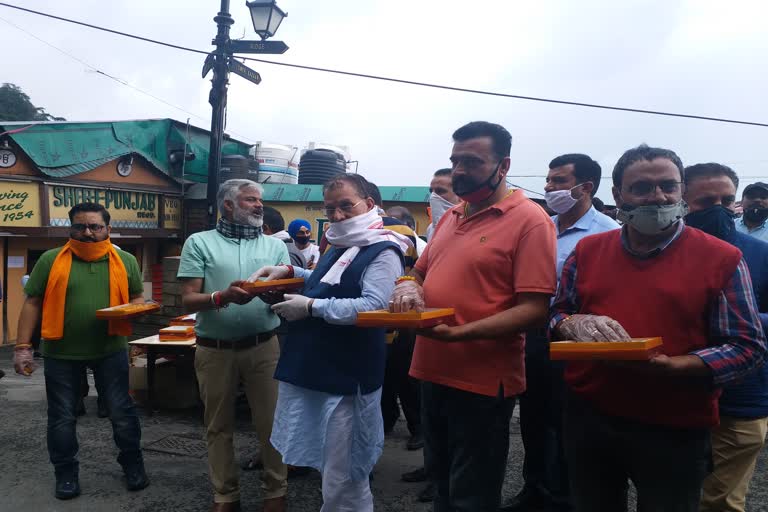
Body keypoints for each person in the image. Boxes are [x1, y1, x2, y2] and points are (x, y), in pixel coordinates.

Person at [549, 145, 767, 512]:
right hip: (590, 415)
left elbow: (747, 347)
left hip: (674, 421)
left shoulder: (721, 258)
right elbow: (557, 313)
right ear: (618, 195)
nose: (658, 196)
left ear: (682, 189)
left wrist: (675, 365)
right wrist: (573, 323)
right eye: (642, 188)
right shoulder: (588, 251)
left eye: (669, 185)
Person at [391, 121, 557, 511]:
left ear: (504, 165)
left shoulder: (530, 220)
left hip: (482, 380)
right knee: (442, 482)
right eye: (455, 161)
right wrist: (408, 285)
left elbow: (535, 309)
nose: (460, 170)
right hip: (429, 368)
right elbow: (419, 271)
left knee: (472, 493)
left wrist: (461, 334)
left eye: (472, 161)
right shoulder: (452, 217)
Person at [250, 173, 409, 512]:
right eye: (331, 208)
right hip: (316, 365)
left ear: (368, 205)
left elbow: (373, 305)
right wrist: (289, 272)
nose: (337, 216)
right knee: (327, 461)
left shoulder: (384, 249)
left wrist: (310, 306)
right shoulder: (340, 243)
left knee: (344, 471)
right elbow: (330, 280)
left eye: (346, 206)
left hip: (347, 373)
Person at [504, 154, 619, 512]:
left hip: (578, 340)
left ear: (585, 187)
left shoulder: (608, 233)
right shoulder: (542, 227)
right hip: (534, 335)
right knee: (534, 417)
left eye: (558, 181)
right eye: (549, 180)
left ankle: (563, 497)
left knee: (567, 421)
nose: (548, 187)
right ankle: (533, 488)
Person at [13, 202, 149, 500]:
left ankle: (133, 465)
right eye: (80, 227)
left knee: (122, 413)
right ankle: (65, 474)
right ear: (70, 228)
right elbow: (32, 302)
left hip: (110, 349)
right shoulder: (50, 260)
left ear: (108, 229)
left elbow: (137, 295)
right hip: (60, 353)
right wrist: (23, 347)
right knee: (61, 417)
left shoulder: (124, 260)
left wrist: (135, 310)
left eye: (95, 227)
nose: (87, 233)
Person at [177, 179, 288, 512]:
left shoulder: (275, 247)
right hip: (215, 349)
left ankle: (275, 492)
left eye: (260, 201)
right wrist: (221, 297)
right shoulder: (199, 243)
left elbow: (285, 293)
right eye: (251, 200)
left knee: (272, 423)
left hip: (264, 347)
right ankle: (225, 495)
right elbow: (187, 300)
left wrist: (275, 295)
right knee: (218, 425)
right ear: (228, 205)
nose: (259, 206)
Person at [683, 163, 768, 512]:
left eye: (727, 199)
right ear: (682, 200)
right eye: (705, 202)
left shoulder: (760, 253)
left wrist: (732, 317)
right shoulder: (664, 251)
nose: (719, 209)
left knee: (722, 500)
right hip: (676, 394)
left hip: (742, 399)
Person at [426, 168, 461, 241]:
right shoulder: (431, 229)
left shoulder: (472, 226)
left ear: (460, 194)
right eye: (431, 191)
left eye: (440, 191)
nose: (433, 196)